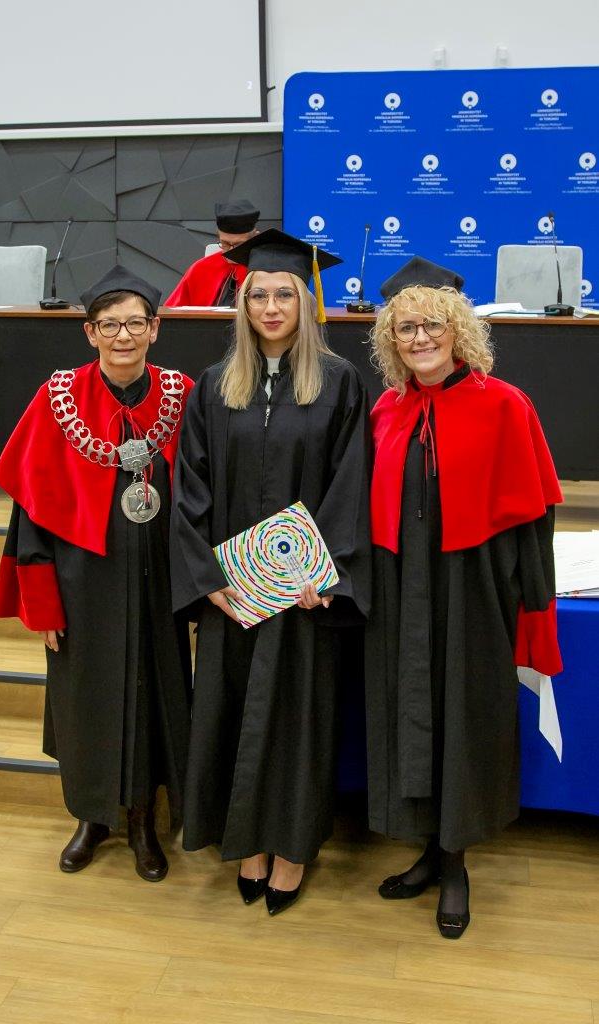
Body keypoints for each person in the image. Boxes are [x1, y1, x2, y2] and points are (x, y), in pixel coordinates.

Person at [170, 229, 371, 915]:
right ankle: (246, 846)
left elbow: (351, 483)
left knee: (297, 720)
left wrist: (328, 571)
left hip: (303, 594)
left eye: (285, 294)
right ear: (243, 303)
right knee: (230, 712)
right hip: (234, 593)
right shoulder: (214, 386)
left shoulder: (339, 383)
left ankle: (291, 850)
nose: (272, 307)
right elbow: (190, 486)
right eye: (259, 296)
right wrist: (207, 577)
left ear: (305, 302)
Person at [365, 256, 563, 938]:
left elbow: (535, 518)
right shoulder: (387, 409)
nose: (420, 337)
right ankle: (428, 848)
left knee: (464, 716)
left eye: (433, 325)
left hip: (473, 587)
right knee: (410, 712)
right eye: (406, 327)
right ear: (391, 340)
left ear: (459, 330)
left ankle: (456, 864)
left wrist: (534, 607)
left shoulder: (504, 403)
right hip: (400, 587)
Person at [0, 265, 194, 881]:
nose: (123, 336)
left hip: (158, 581)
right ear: (90, 332)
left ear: (155, 329)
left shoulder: (182, 396)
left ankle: (143, 821)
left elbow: (206, 495)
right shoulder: (58, 399)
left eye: (135, 323)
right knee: (83, 699)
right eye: (110, 325)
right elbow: (29, 509)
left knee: (152, 695)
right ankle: (90, 817)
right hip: (81, 582)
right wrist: (42, 601)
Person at [164, 199, 260, 307]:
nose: (231, 252)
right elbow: (172, 311)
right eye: (225, 244)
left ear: (255, 238)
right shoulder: (200, 269)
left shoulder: (265, 268)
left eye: (239, 245)